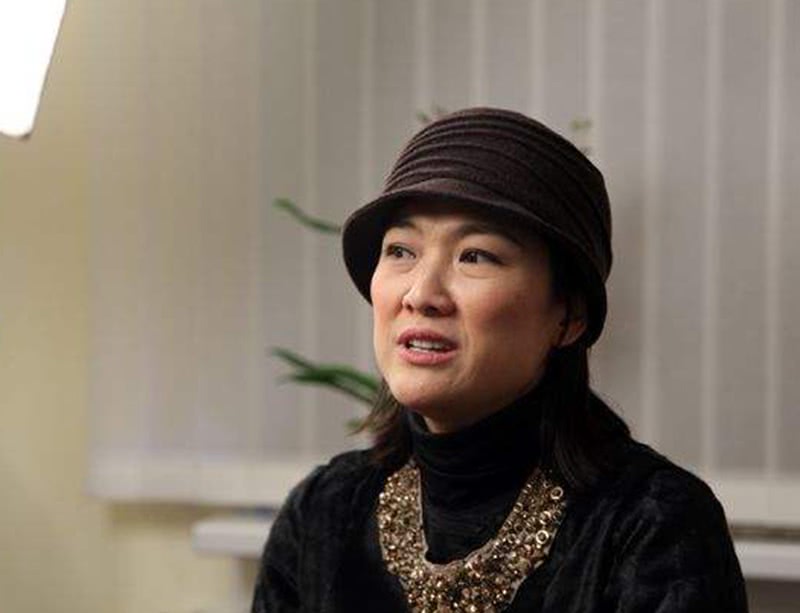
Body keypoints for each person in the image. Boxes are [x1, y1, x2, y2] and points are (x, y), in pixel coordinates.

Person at [251, 108, 747, 612]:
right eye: (400, 250)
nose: (421, 294)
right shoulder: (323, 513)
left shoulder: (651, 526)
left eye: (475, 255)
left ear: (569, 315)